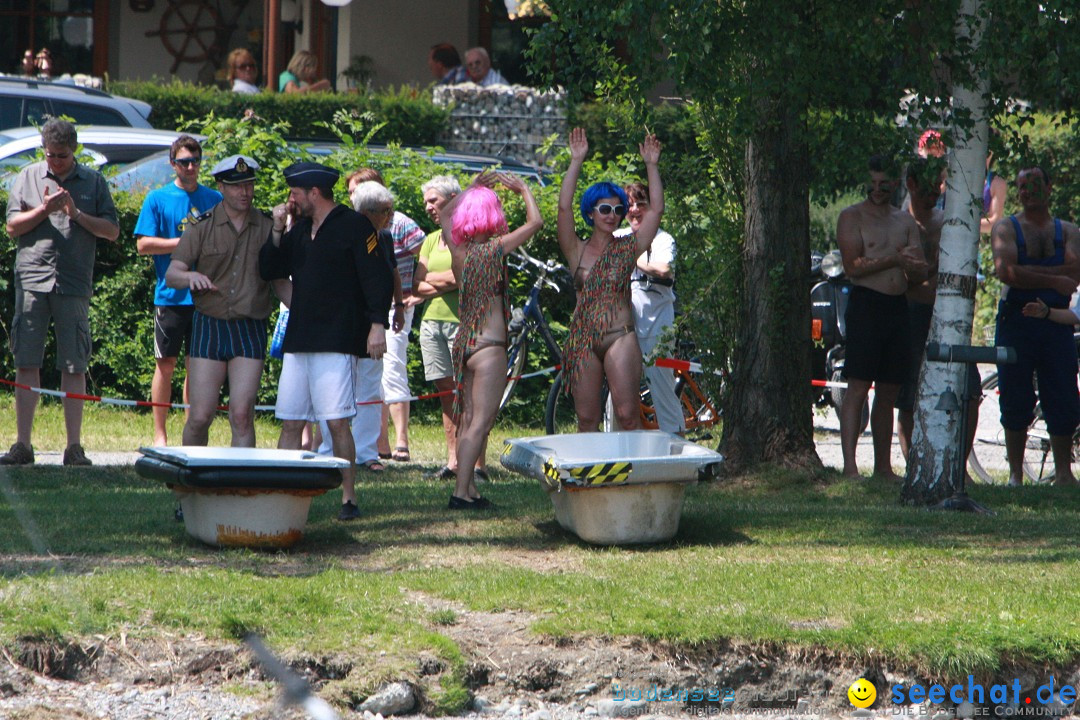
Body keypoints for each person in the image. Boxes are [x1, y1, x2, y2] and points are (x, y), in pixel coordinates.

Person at [260, 163, 392, 521]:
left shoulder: (355, 225)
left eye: (294, 194)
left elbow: (377, 278)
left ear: (313, 193)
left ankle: (348, 497)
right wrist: (276, 230)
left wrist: (377, 324)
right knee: (289, 420)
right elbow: (270, 267)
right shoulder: (300, 229)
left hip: (337, 338)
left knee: (336, 422)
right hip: (299, 337)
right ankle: (282, 492)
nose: (290, 200)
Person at [0, 119, 119, 466]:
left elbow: (111, 231)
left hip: (73, 282)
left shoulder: (93, 182)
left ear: (75, 151)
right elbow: (11, 227)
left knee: (74, 363)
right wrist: (44, 210)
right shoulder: (28, 177)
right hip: (33, 280)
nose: (54, 161)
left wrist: (76, 214)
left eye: (62, 156)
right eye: (50, 155)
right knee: (26, 361)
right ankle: (22, 444)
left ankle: (74, 447)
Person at [441, 172, 543, 509]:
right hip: (489, 348)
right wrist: (524, 189)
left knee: (469, 420)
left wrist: (472, 188)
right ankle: (460, 494)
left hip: (465, 344)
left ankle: (469, 490)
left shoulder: (459, 252)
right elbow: (536, 222)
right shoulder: (494, 249)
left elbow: (444, 215)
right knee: (480, 424)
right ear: (491, 215)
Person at [165, 155, 279, 447]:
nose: (245, 192)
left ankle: (241, 486)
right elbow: (172, 274)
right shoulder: (201, 226)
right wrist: (190, 277)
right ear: (221, 187)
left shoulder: (268, 227)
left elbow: (280, 277)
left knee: (242, 415)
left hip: (249, 327)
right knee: (200, 416)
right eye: (236, 186)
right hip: (209, 325)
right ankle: (189, 479)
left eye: (249, 185)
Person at [557, 127, 664, 432]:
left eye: (618, 209)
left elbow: (656, 209)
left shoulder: (628, 248)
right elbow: (563, 208)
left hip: (620, 335)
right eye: (605, 208)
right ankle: (589, 479)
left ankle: (631, 477)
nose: (612, 214)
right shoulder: (575, 249)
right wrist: (576, 160)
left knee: (628, 416)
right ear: (591, 212)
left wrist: (651, 166)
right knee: (587, 419)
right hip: (583, 339)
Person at [836, 154, 928, 481]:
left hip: (897, 307)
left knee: (888, 391)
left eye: (883, 184)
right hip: (866, 305)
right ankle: (849, 466)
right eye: (872, 184)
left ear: (894, 183)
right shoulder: (852, 217)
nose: (877, 190)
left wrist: (916, 268)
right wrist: (894, 259)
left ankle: (883, 467)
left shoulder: (904, 221)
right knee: (858, 385)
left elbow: (917, 267)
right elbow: (852, 266)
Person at [991, 166, 1080, 486]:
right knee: (1014, 395)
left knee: (1063, 394)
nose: (1027, 191)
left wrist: (1033, 272)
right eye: (1021, 186)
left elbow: (1076, 272)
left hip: (1055, 324)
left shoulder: (1068, 231)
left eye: (1034, 185)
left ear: (1049, 187)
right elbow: (1006, 272)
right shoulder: (1006, 228)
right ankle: (1016, 473)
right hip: (1016, 320)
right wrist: (1056, 278)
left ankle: (1064, 474)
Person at [134, 135, 222, 446]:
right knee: (165, 364)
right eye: (184, 161)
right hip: (170, 295)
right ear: (173, 164)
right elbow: (143, 244)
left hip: (204, 296)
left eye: (195, 161)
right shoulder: (157, 199)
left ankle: (192, 431)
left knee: (196, 367)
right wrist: (183, 243)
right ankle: (160, 434)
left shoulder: (214, 199)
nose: (190, 167)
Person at [894, 157, 981, 466]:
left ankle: (958, 466)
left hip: (949, 314)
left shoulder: (949, 223)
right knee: (908, 393)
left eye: (940, 184)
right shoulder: (899, 224)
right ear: (911, 184)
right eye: (928, 185)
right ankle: (915, 467)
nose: (935, 191)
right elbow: (903, 280)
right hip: (910, 315)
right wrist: (929, 270)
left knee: (969, 387)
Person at [409, 175, 489, 481]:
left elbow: (465, 275)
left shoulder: (471, 235)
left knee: (470, 395)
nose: (428, 206)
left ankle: (478, 465)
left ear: (454, 198)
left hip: (463, 323)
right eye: (427, 201)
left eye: (434, 200)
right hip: (432, 323)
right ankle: (454, 461)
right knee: (446, 395)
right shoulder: (430, 239)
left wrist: (436, 282)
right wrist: (448, 281)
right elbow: (417, 283)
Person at [347, 168, 426, 463]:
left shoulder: (388, 234)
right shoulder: (346, 234)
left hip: (383, 318)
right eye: (384, 211)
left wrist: (404, 302)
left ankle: (374, 450)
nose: (388, 215)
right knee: (349, 386)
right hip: (354, 322)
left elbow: (396, 268)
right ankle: (348, 449)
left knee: (380, 380)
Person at [618, 181, 684, 435]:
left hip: (657, 328)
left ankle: (677, 455)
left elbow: (664, 269)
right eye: (629, 205)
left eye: (641, 204)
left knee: (662, 392)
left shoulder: (662, 238)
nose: (634, 210)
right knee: (619, 396)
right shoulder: (618, 236)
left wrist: (631, 257)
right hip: (623, 332)